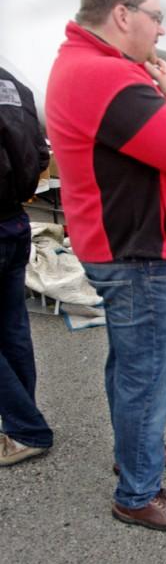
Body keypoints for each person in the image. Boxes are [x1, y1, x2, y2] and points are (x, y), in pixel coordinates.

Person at [45, 0, 166, 532]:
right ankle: (137, 491)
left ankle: (137, 449)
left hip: (126, 245)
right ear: (123, 14)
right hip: (142, 253)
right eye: (156, 17)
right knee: (148, 371)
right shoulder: (108, 77)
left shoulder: (86, 67)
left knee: (131, 362)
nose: (160, 31)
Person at [0, 68, 54, 466]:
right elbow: (40, 156)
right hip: (15, 220)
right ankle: (22, 425)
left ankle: (27, 427)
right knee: (13, 327)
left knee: (12, 327)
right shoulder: (13, 85)